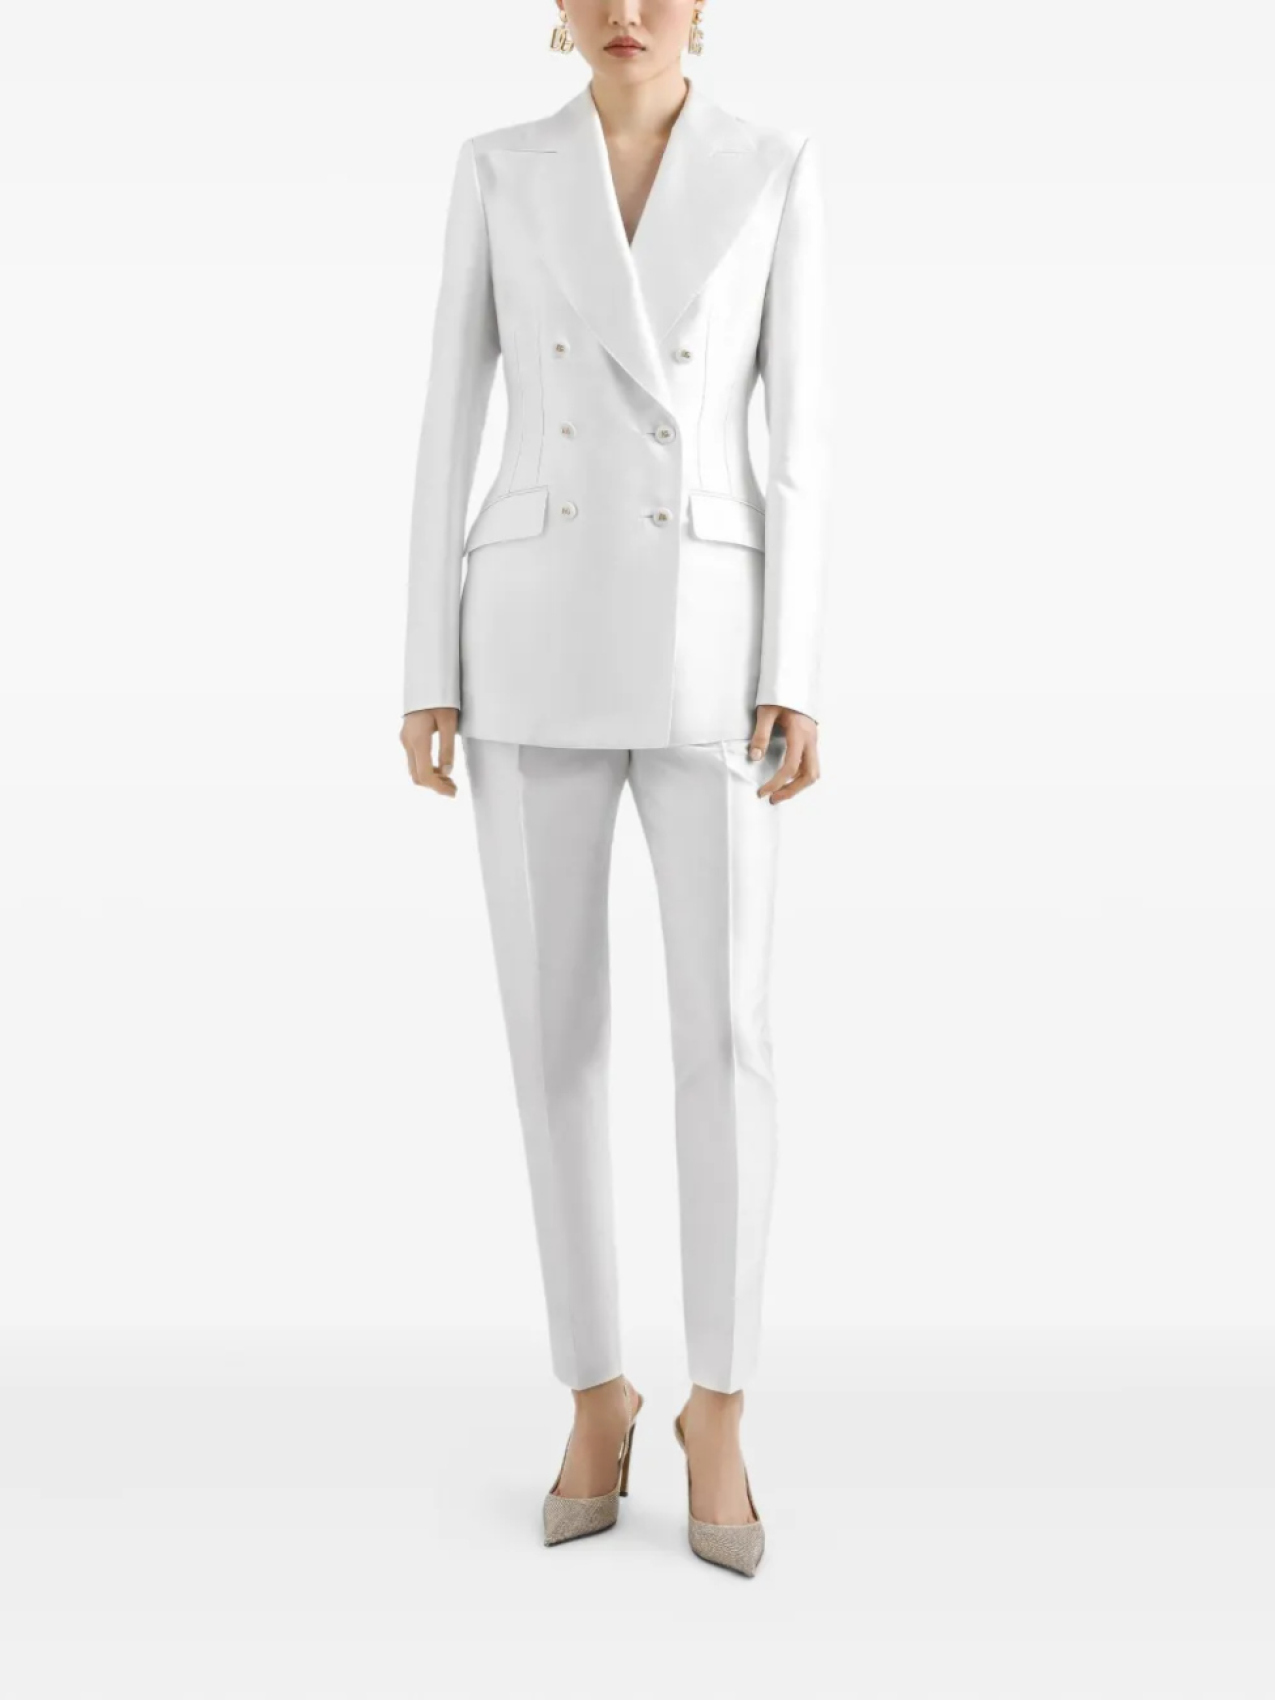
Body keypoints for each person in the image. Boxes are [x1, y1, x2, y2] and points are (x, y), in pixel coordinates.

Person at [399, 0, 826, 1577]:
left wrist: (797, 663)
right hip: (525, 636)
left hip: (714, 643)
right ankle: (596, 1392)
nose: (629, 12)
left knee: (727, 1036)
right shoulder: (497, 169)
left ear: (707, 9)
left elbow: (803, 441)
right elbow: (448, 420)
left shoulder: (774, 165)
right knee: (552, 1037)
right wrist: (424, 665)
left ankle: (721, 1405)